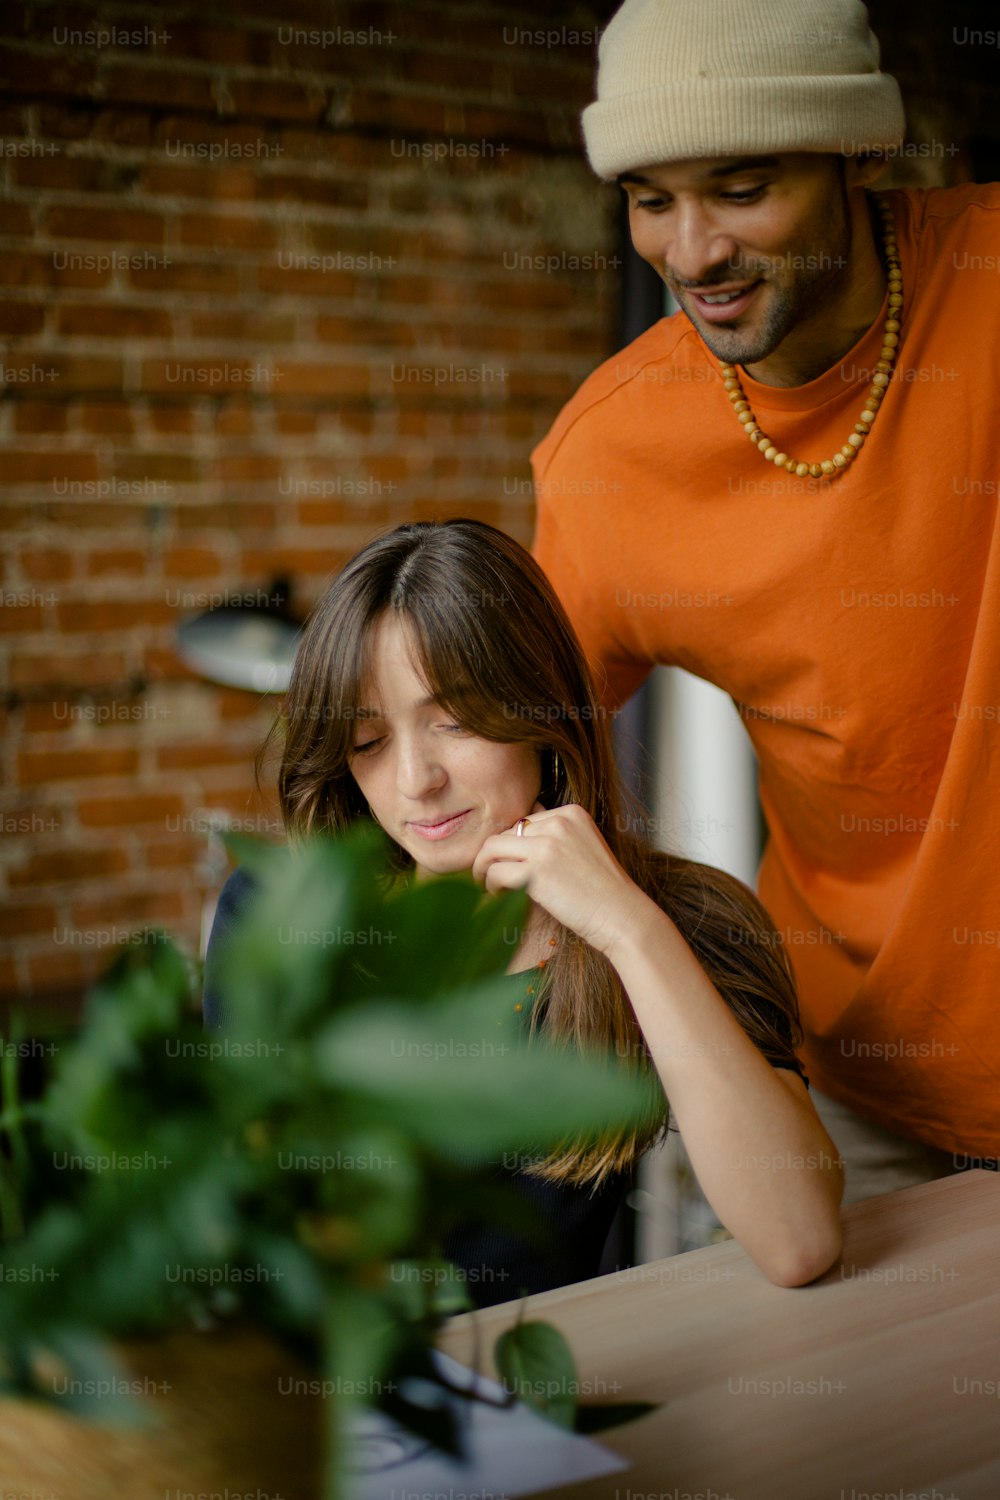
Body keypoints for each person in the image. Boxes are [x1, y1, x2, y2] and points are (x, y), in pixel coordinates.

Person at [530, 0, 1000, 1203]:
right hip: (860, 1088)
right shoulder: (611, 457)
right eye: (649, 199)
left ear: (857, 153)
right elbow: (517, 750)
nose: (692, 254)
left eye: (742, 189)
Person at [205, 518, 843, 1307]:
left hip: (538, 1399)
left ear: (545, 714)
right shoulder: (278, 913)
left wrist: (629, 931)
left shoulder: (679, 918)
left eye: (456, 721)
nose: (415, 780)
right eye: (368, 740)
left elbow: (799, 1238)